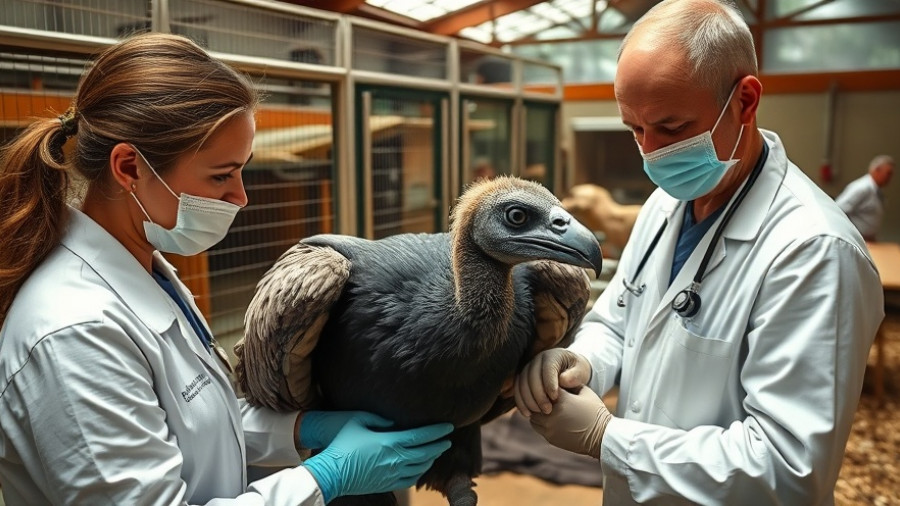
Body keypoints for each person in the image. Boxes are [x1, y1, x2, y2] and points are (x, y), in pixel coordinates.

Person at [0, 33, 452, 505]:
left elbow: (195, 423)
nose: (241, 197)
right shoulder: (75, 332)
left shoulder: (146, 271)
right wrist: (324, 478)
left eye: (241, 170)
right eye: (221, 175)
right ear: (129, 167)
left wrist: (301, 428)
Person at [513, 1, 884, 504]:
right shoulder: (665, 204)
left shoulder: (815, 253)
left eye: (671, 128)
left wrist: (608, 438)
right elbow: (619, 322)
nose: (651, 152)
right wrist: (582, 361)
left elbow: (788, 468)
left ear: (745, 101)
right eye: (635, 129)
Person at [835, 155, 894, 241]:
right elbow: (838, 210)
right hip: (855, 239)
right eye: (888, 173)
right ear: (877, 170)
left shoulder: (877, 190)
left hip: (869, 240)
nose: (890, 178)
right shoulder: (862, 187)